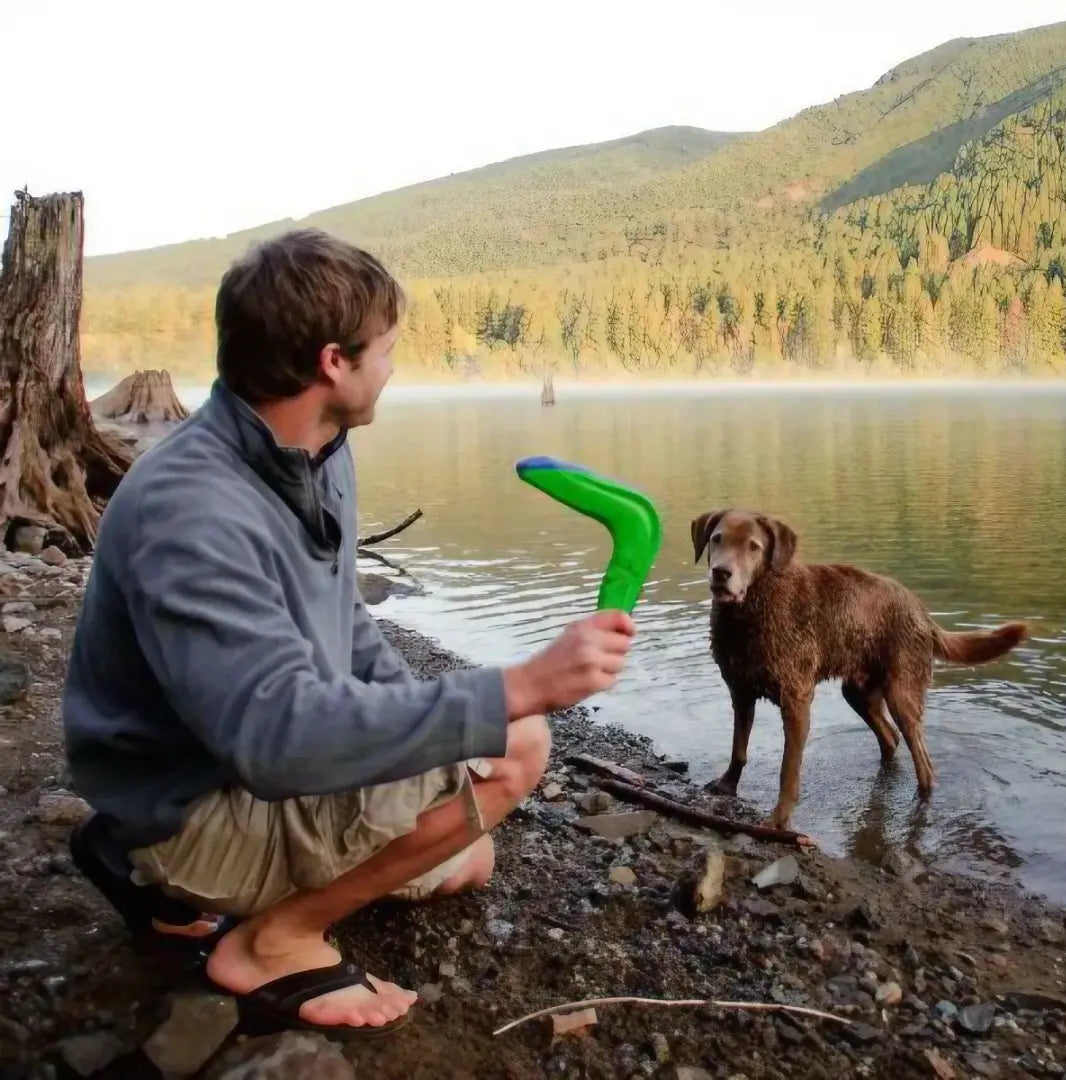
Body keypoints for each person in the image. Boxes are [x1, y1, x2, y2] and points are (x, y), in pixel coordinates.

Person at [61, 229, 636, 1038]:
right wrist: (517, 690)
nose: (395, 368)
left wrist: (432, 728)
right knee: (518, 750)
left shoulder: (316, 448)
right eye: (388, 349)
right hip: (189, 799)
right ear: (335, 361)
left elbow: (347, 624)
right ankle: (268, 942)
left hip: (222, 758)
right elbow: (279, 741)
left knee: (468, 858)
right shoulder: (191, 511)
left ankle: (142, 877)